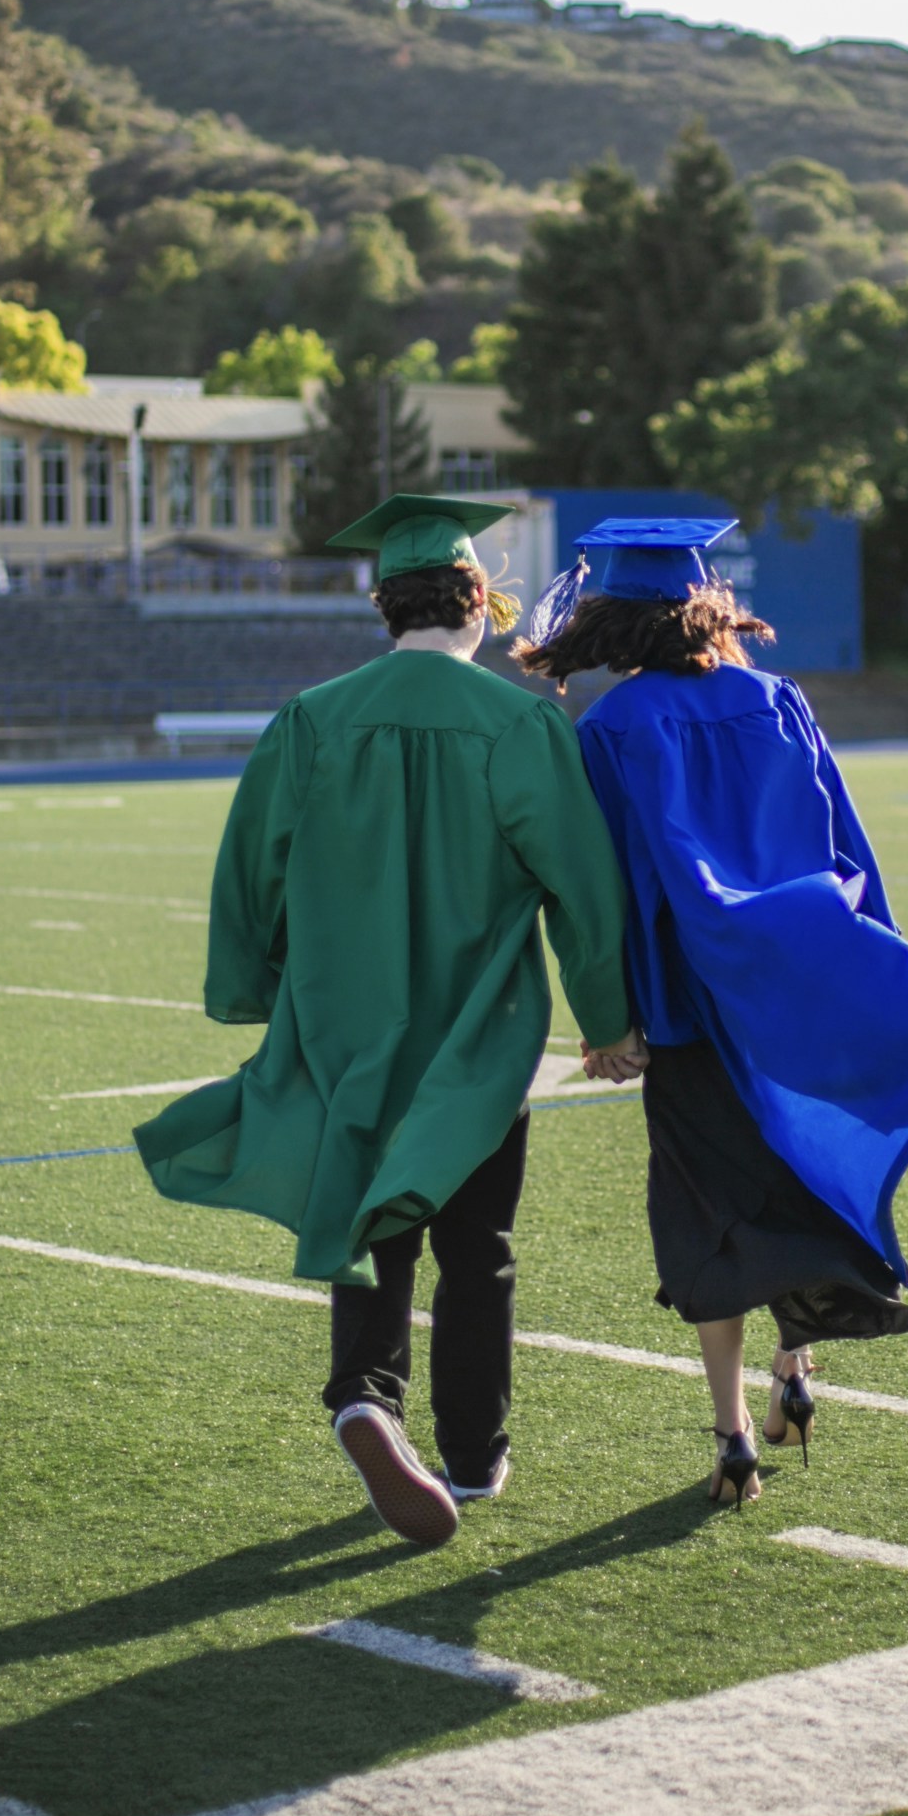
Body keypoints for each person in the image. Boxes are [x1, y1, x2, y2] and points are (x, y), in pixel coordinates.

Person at [136, 493, 642, 1550]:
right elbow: (582, 888)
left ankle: (367, 1396)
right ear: (474, 600)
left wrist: (257, 990)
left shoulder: (313, 720)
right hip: (475, 1034)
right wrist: (607, 1021)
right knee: (478, 1246)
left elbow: (250, 870)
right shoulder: (519, 724)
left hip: (345, 1023)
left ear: (383, 606)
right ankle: (473, 1454)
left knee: (374, 1229)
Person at [517, 517, 908, 1508]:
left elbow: (603, 887)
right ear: (707, 606)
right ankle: (793, 1374)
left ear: (610, 620)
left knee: (713, 1215)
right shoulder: (777, 699)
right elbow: (845, 843)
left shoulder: (611, 730)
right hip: (798, 990)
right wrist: (868, 960)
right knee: (798, 1186)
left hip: (691, 1008)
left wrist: (615, 1018)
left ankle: (734, 1435)